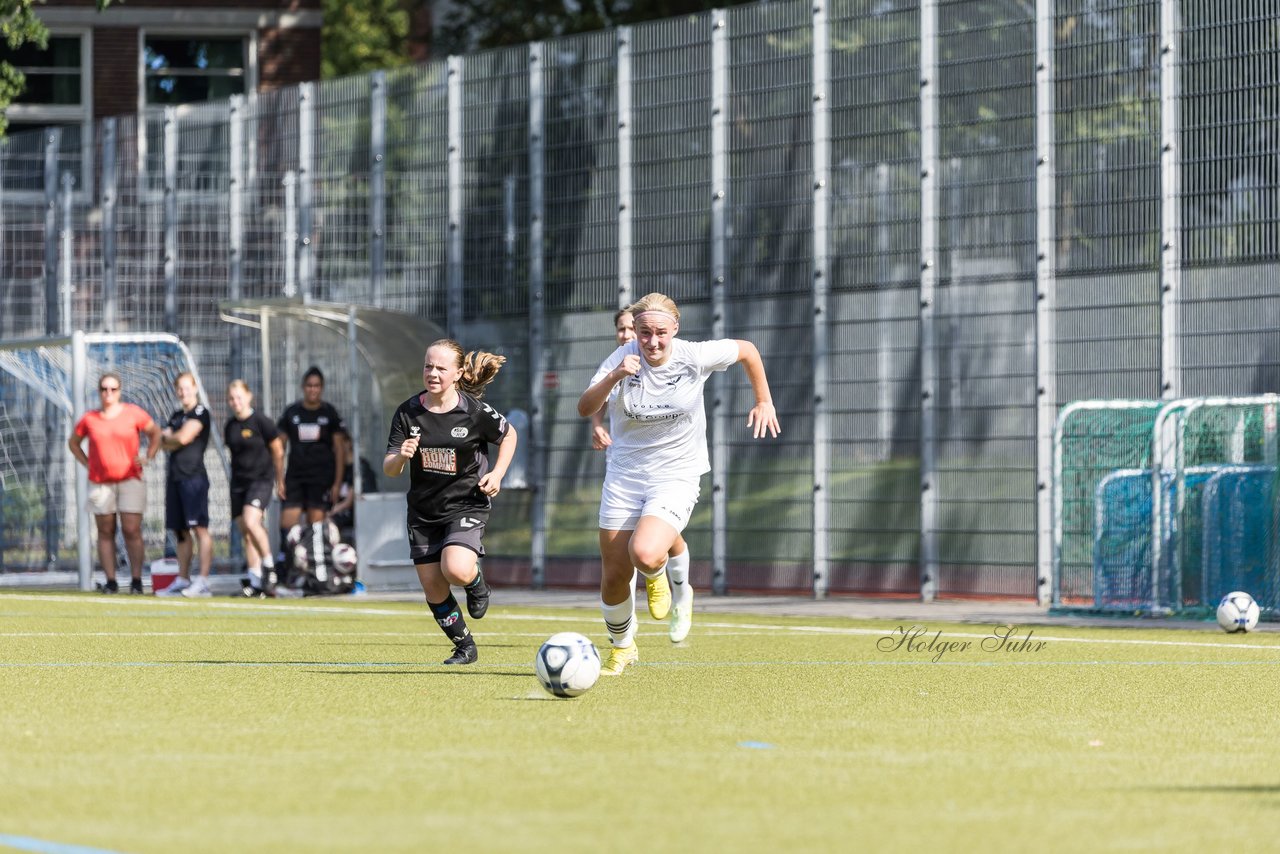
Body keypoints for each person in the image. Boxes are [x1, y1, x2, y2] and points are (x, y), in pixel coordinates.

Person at [577, 292, 780, 675]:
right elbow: (586, 408)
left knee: (648, 553)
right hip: (624, 475)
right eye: (644, 333)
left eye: (660, 333)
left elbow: (748, 350)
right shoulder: (621, 359)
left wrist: (763, 400)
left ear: (675, 330)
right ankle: (623, 647)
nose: (652, 342)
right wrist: (616, 376)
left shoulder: (694, 356)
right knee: (615, 575)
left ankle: (658, 577)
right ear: (633, 332)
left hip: (676, 475)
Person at [383, 339, 518, 665]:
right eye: (428, 366)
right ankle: (464, 646)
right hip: (423, 512)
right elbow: (389, 469)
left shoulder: (473, 411)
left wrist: (498, 474)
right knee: (434, 589)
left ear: (457, 373)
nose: (433, 373)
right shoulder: (408, 412)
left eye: (441, 368)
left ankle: (476, 583)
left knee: (455, 568)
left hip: (466, 504)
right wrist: (401, 457)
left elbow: (509, 435)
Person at [589, 307, 693, 643]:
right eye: (622, 329)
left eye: (629, 329)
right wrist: (597, 425)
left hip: (670, 470)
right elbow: (597, 402)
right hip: (625, 468)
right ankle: (624, 636)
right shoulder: (620, 362)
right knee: (621, 560)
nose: (627, 336)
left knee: (650, 544)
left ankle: (679, 594)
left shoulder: (673, 358)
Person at [67, 371, 163, 594]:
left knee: (131, 529)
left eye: (113, 389)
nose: (108, 393)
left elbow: (155, 433)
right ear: (99, 392)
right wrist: (88, 463)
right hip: (101, 482)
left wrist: (148, 456)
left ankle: (137, 580)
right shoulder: (90, 418)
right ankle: (111, 581)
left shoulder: (133, 413)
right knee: (105, 531)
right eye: (104, 389)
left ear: (119, 391)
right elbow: (73, 443)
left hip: (130, 479)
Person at [276, 367, 347, 586]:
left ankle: (314, 574)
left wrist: (337, 483)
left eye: (317, 386)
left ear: (322, 388)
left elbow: (340, 450)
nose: (313, 390)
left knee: (315, 529)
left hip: (321, 479)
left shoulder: (329, 414)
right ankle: (287, 570)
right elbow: (279, 447)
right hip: (296, 477)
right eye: (309, 386)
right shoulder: (292, 413)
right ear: (303, 387)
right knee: (287, 524)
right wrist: (279, 479)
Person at [224, 379, 284, 597]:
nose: (235, 402)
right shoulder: (230, 426)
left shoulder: (262, 422)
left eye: (239, 397)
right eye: (231, 398)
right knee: (247, 532)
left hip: (261, 480)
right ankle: (255, 580)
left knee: (252, 521)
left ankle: (269, 567)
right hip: (238, 483)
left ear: (249, 397)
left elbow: (277, 451)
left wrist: (279, 479)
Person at [157, 372, 214, 597]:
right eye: (179, 388)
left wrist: (170, 439)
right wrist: (169, 439)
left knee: (199, 529)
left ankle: (204, 580)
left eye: (186, 387)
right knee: (181, 531)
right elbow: (165, 440)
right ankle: (183, 579)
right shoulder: (176, 415)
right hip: (175, 478)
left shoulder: (201, 412)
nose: (183, 392)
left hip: (194, 479)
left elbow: (182, 438)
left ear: (195, 387)